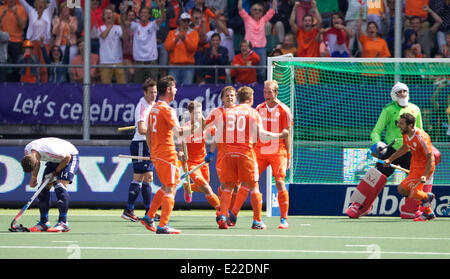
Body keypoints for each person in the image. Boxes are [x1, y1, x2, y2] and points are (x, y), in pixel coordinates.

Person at [205, 85, 289, 230]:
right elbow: (262, 134)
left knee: (228, 187)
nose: (230, 98)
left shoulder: (226, 112)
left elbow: (214, 134)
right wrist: (280, 135)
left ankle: (225, 216)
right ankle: (257, 221)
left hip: (228, 155)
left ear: (238, 98)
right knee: (253, 187)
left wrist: (210, 152)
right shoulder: (252, 112)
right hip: (245, 153)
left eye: (232, 96)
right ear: (251, 99)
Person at [140, 75, 195, 234]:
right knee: (171, 189)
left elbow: (149, 134)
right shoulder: (167, 109)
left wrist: (152, 151)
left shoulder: (153, 109)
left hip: (157, 153)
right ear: (169, 89)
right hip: (167, 154)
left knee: (165, 187)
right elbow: (179, 132)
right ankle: (163, 225)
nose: (176, 90)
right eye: (174, 87)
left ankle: (149, 217)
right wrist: (197, 127)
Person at [371, 81, 424, 219]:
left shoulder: (415, 109)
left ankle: (411, 209)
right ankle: (361, 205)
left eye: (405, 91)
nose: (402, 94)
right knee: (375, 177)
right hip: (391, 151)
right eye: (399, 92)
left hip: (410, 151)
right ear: (394, 95)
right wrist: (378, 144)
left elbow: (420, 132)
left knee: (416, 181)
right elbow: (376, 131)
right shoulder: (388, 109)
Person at [383, 113, 438, 222]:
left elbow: (431, 158)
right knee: (415, 193)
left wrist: (425, 175)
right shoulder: (405, 133)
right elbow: (405, 147)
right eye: (399, 123)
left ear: (410, 125)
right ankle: (429, 213)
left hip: (423, 168)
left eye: (402, 123)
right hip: (414, 166)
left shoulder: (422, 138)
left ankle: (428, 197)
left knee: (402, 189)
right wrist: (390, 159)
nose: (399, 125)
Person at [254, 80, 293, 229]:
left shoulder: (284, 110)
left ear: (276, 93)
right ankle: (252, 218)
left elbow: (287, 135)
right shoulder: (258, 108)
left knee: (279, 182)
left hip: (278, 152)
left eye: (269, 92)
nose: (266, 95)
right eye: (265, 92)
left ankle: (284, 219)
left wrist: (288, 156)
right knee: (250, 181)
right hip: (261, 151)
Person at [20, 137, 79, 232]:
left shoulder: (51, 152)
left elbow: (67, 158)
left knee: (59, 186)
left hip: (70, 156)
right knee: (42, 190)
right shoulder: (28, 150)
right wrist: (34, 178)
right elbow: (37, 162)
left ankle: (63, 223)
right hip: (55, 159)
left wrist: (54, 173)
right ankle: (44, 223)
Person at [121, 78, 157, 222]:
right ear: (144, 92)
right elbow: (142, 130)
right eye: (151, 92)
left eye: (155, 92)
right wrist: (156, 131)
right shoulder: (141, 106)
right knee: (141, 177)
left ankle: (148, 211)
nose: (154, 95)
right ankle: (130, 210)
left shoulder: (153, 105)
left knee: (147, 178)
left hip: (148, 144)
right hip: (141, 143)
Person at [179, 100, 220, 211]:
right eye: (195, 113)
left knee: (203, 187)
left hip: (203, 160)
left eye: (199, 112)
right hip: (190, 163)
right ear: (190, 113)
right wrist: (181, 152)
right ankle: (221, 211)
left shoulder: (205, 125)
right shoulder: (186, 127)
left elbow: (217, 133)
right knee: (206, 187)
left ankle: (188, 187)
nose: (198, 115)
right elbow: (181, 146)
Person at [126, 1, 166, 84]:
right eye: (142, 12)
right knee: (137, 88)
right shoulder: (135, 25)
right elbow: (124, 23)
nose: (144, 14)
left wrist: (162, 8)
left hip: (151, 62)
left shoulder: (153, 25)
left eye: (146, 13)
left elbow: (162, 19)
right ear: (139, 15)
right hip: (138, 62)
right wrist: (123, 12)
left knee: (152, 88)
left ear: (149, 15)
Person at [237, 0, 276, 83]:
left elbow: (272, 10)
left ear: (262, 12)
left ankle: (261, 89)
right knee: (249, 70)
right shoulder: (247, 19)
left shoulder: (263, 19)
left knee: (261, 72)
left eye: (259, 10)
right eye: (255, 9)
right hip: (249, 50)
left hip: (261, 49)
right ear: (251, 11)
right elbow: (240, 8)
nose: (257, 11)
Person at [19, 0, 57, 83]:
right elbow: (23, 2)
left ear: (45, 5)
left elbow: (53, 2)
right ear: (35, 5)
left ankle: (44, 85)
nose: (40, 4)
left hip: (44, 43)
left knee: (44, 66)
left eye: (42, 3)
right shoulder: (31, 12)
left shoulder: (48, 12)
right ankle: (33, 84)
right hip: (32, 43)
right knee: (33, 65)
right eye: (38, 3)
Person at [165, 12, 199, 85]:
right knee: (173, 90)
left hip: (188, 67)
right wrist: (176, 40)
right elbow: (167, 48)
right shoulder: (172, 33)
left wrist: (185, 40)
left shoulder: (194, 33)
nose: (186, 23)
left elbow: (193, 48)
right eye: (184, 20)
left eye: (188, 21)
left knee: (187, 90)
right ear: (180, 21)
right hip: (174, 66)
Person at [0, 0, 28, 81]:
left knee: (17, 66)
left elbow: (23, 26)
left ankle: (16, 85)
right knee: (2, 65)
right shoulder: (1, 9)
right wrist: (2, 16)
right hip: (3, 41)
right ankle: (2, 84)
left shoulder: (21, 9)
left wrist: (16, 14)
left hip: (16, 41)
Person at [98, 6, 126, 84]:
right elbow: (103, 36)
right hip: (105, 62)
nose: (108, 15)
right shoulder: (100, 28)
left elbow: (125, 37)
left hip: (118, 61)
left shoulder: (118, 28)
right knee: (105, 86)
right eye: (106, 13)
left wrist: (122, 24)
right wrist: (112, 24)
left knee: (122, 85)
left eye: (110, 13)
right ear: (103, 16)